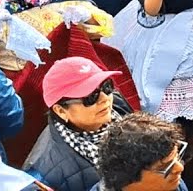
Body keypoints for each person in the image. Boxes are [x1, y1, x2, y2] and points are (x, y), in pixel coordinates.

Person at [24, 58, 129, 191]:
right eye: (90, 97)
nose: (104, 99)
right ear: (61, 111)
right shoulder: (45, 173)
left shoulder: (116, 106)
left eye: (106, 86)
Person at [93, 113, 188, 191]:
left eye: (177, 156)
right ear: (127, 180)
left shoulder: (173, 184)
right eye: (165, 167)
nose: (179, 168)